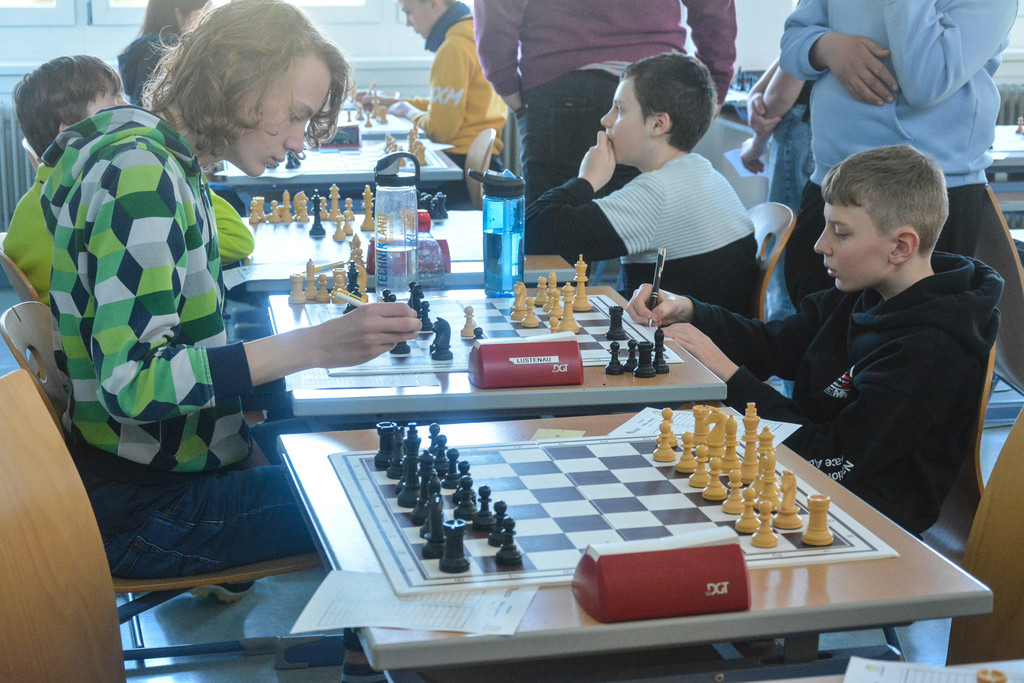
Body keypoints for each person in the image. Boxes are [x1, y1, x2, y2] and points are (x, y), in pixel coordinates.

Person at [40, 0, 419, 589]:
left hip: (162, 469)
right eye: (295, 116)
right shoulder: (142, 175)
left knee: (380, 450)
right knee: (394, 492)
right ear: (240, 78)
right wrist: (313, 346)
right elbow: (132, 384)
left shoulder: (165, 161)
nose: (298, 142)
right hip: (146, 507)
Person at [625, 146, 1002, 535]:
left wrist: (730, 377)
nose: (821, 244)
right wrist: (691, 310)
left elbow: (831, 457)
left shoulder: (931, 351)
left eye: (841, 232)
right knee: (652, 486)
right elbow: (774, 345)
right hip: (803, 478)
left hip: (865, 521)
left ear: (900, 247)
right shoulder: (860, 293)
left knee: (671, 522)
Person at [779, 0, 1017, 306]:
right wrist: (825, 47)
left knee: (916, 324)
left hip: (928, 194)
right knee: (813, 315)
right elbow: (791, 44)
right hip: (832, 180)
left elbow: (926, 83)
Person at [6, 54, 254, 306]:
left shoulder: (24, 216)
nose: (130, 109)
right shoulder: (122, 195)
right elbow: (237, 239)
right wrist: (176, 165)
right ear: (72, 134)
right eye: (114, 102)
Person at [526, 53, 757, 316]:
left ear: (658, 124)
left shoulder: (658, 194)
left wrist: (587, 180)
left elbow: (533, 232)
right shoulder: (705, 174)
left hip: (680, 340)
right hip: (712, 334)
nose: (606, 120)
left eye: (620, 110)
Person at [474, 0, 737, 205]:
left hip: (561, 83)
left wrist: (505, 83)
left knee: (550, 240)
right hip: (658, 86)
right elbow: (713, 8)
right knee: (651, 240)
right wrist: (716, 83)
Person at [354, 0, 506, 209]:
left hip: (458, 172)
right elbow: (447, 106)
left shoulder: (453, 48)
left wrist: (406, 111)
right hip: (485, 168)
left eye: (409, 12)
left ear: (434, 5)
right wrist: (395, 103)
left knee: (369, 192)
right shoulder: (476, 38)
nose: (408, 23)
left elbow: (440, 131)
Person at [118, 0, 209, 105]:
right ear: (178, 14)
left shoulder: (142, 47)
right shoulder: (171, 48)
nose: (205, 23)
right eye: (201, 15)